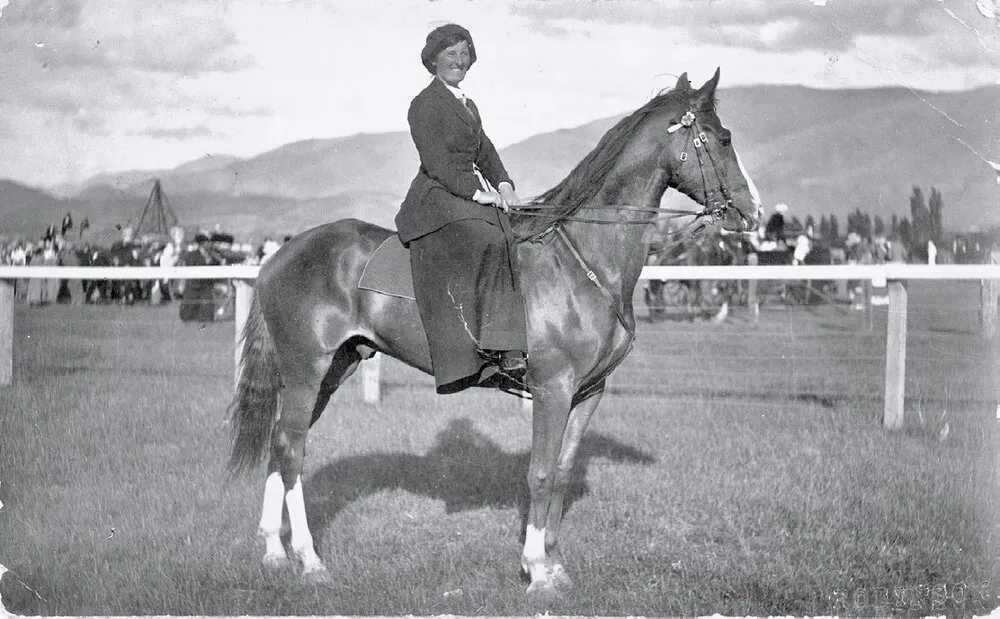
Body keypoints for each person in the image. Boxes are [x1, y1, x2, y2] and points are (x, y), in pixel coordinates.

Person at [395, 23, 528, 395]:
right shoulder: (423, 104)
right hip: (434, 199)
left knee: (514, 231)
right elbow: (437, 162)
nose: (458, 60)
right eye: (450, 53)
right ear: (434, 59)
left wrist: (503, 184)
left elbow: (484, 150)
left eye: (464, 52)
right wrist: (477, 193)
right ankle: (499, 349)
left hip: (462, 194)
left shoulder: (468, 105)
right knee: (490, 239)